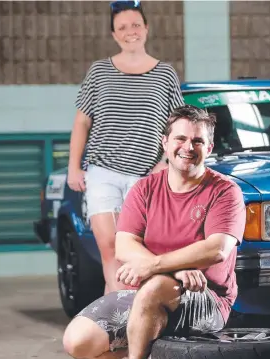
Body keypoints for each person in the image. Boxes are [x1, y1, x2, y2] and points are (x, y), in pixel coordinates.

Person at [62, 105, 247, 359]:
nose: (188, 147)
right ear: (165, 143)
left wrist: (157, 268)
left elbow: (217, 249)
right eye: (180, 139)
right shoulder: (144, 189)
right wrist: (172, 270)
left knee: (156, 286)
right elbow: (124, 246)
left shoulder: (225, 191)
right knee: (77, 342)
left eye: (197, 141)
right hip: (147, 293)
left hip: (207, 298)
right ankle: (151, 353)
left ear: (209, 147)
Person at [67, 0, 185, 294]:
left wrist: (165, 164)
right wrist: (73, 167)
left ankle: (121, 322)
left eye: (135, 25)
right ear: (114, 34)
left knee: (135, 251)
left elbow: (178, 128)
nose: (130, 31)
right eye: (122, 27)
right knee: (110, 250)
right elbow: (82, 123)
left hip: (144, 178)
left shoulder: (165, 74)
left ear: (146, 28)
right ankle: (119, 324)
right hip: (102, 172)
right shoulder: (99, 72)